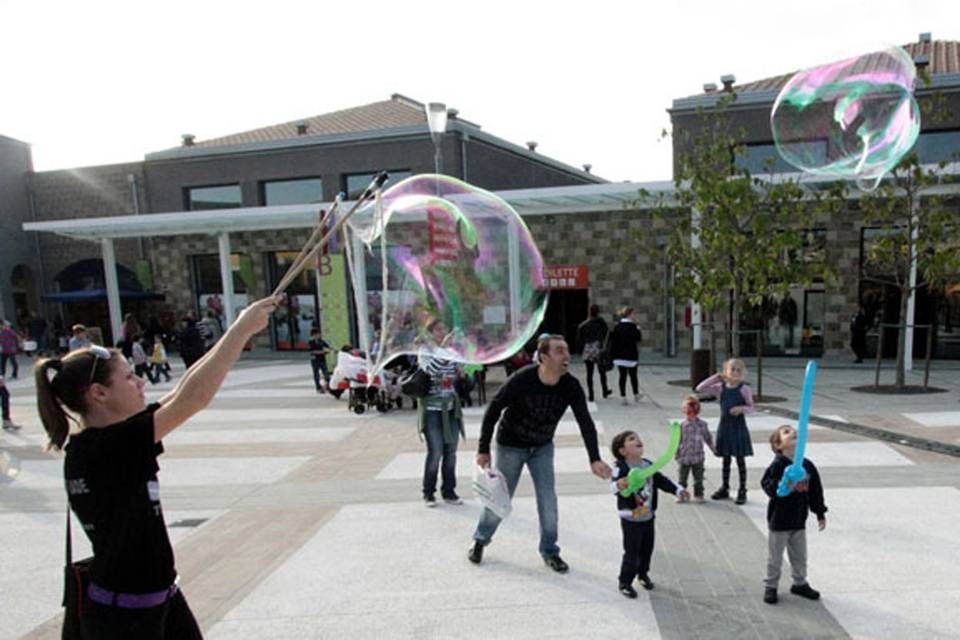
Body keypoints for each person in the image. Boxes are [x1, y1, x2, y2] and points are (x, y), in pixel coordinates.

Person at [34, 295, 279, 638]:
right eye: (129, 377)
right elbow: (193, 400)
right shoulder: (106, 448)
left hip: (157, 600)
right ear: (98, 394)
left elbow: (182, 392)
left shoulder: (107, 440)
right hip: (126, 619)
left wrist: (240, 328)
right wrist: (240, 331)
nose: (141, 383)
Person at [468, 334, 612, 572]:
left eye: (566, 350)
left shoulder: (571, 386)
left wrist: (594, 458)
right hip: (511, 446)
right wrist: (483, 448)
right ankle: (480, 540)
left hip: (542, 447)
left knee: (548, 500)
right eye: (559, 351)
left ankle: (550, 550)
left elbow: (585, 422)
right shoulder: (523, 379)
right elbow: (494, 409)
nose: (566, 355)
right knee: (500, 498)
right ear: (543, 357)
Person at [610, 430, 687, 597]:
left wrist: (678, 490)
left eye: (638, 437)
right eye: (631, 439)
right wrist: (620, 485)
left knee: (647, 548)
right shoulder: (621, 468)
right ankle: (625, 581)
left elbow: (661, 480)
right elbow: (613, 487)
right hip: (631, 518)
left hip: (647, 516)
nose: (638, 440)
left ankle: (643, 574)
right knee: (632, 551)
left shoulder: (647, 465)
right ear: (623, 451)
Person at [760, 425, 828, 605]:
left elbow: (815, 491)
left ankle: (799, 583)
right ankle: (771, 585)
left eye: (794, 431)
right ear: (778, 444)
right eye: (786, 432)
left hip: (799, 519)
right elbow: (767, 485)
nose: (793, 433)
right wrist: (781, 485)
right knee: (775, 557)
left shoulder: (807, 465)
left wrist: (820, 511)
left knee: (799, 556)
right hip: (779, 520)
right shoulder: (778, 465)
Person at [418, 319, 465, 507]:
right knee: (435, 451)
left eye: (444, 329)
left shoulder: (452, 353)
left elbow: (456, 374)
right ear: (431, 333)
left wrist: (461, 371)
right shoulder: (425, 352)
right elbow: (431, 371)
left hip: (451, 407)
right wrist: (443, 350)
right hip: (432, 410)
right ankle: (428, 492)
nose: (442, 332)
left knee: (451, 452)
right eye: (438, 330)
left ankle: (449, 491)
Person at [696, 358, 755, 504]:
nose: (735, 372)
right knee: (726, 459)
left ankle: (742, 489)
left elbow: (751, 407)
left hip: (738, 427)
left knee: (740, 459)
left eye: (738, 370)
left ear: (743, 373)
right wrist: (716, 377)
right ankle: (725, 487)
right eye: (732, 369)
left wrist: (741, 409)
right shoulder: (720, 387)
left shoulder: (744, 389)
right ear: (726, 372)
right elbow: (700, 388)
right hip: (725, 427)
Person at [675, 394, 716, 503]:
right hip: (684, 457)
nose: (691, 415)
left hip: (698, 457)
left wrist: (713, 448)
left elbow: (708, 437)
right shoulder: (681, 426)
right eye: (688, 412)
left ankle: (699, 495)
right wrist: (675, 452)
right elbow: (677, 441)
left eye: (693, 412)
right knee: (682, 478)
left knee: (698, 478)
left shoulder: (702, 425)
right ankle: (681, 494)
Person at [577, 304, 612, 403]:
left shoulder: (583, 325)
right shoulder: (601, 322)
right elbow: (607, 333)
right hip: (598, 347)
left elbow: (580, 339)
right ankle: (605, 391)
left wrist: (580, 350)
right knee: (602, 371)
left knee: (589, 373)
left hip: (588, 348)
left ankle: (591, 395)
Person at [609, 306, 643, 406]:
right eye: (633, 314)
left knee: (622, 376)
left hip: (619, 355)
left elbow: (613, 340)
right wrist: (638, 327)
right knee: (633, 375)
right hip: (631, 355)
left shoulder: (617, 326)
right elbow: (638, 338)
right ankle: (636, 394)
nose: (634, 316)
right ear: (629, 314)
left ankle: (623, 396)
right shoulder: (633, 326)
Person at [307, 327, 332, 393]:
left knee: (326, 373)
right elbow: (312, 351)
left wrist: (331, 350)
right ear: (313, 335)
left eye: (319, 334)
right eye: (317, 334)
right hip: (315, 360)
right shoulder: (310, 342)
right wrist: (322, 352)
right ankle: (318, 387)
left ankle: (328, 386)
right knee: (316, 374)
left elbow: (327, 347)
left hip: (322, 359)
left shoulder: (321, 341)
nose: (319, 335)